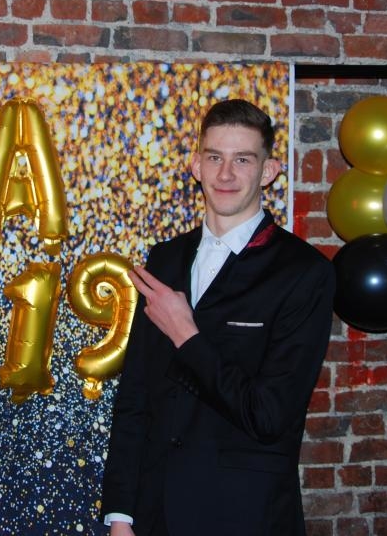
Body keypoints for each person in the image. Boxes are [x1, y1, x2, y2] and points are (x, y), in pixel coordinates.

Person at [100, 98, 335, 536]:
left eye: (242, 159)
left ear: (268, 171)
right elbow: (136, 395)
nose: (225, 174)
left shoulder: (304, 273)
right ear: (196, 166)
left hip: (245, 515)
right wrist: (120, 514)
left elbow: (268, 415)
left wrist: (187, 336)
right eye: (214, 158)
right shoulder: (165, 259)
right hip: (154, 515)